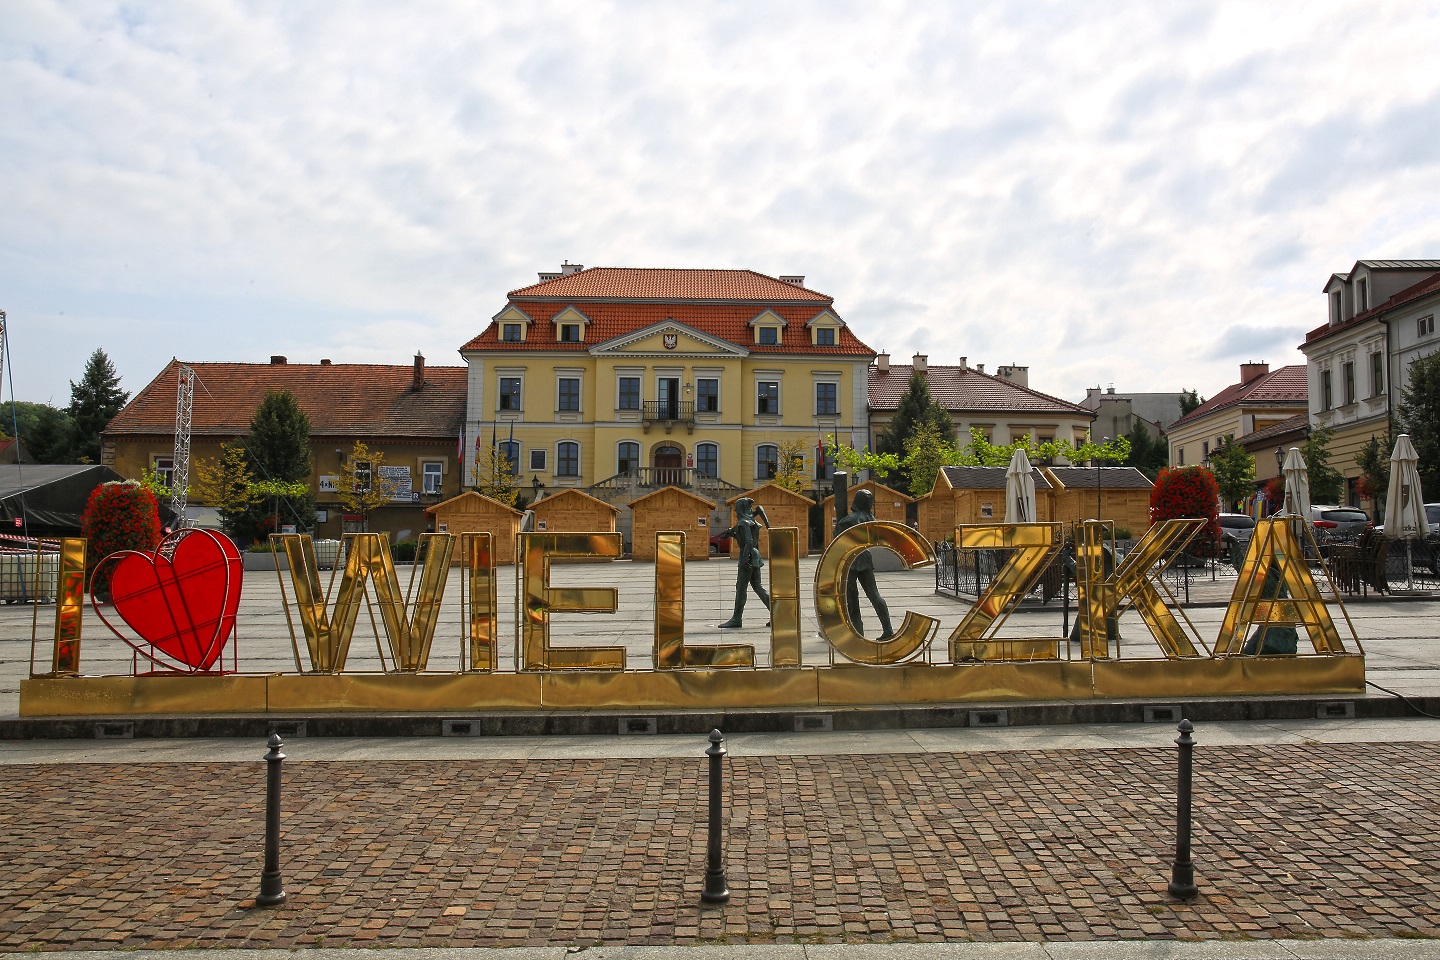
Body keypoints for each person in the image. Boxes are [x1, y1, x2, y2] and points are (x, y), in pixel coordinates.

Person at [833, 489, 894, 640]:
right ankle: (888, 630)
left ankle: (852, 630)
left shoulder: (848, 520)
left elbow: (836, 540)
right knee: (874, 595)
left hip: (851, 560)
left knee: (848, 596)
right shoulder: (871, 518)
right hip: (865, 558)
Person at [717, 498, 770, 628]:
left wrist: (745, 559)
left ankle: (736, 619)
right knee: (757, 586)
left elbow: (748, 542)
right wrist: (732, 534)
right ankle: (777, 613)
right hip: (755, 555)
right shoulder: (752, 522)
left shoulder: (742, 523)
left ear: (741, 508)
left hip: (747, 555)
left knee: (741, 588)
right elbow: (747, 539)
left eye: (737, 507)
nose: (735, 510)